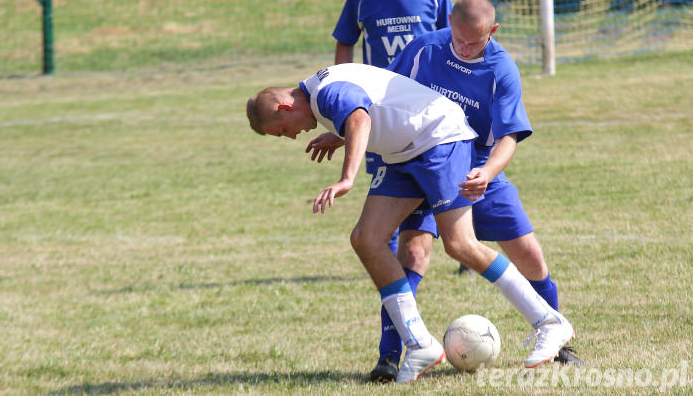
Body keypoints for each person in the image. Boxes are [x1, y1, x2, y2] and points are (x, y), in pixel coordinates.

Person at [246, 63, 575, 384]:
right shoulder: (321, 92)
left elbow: (359, 118)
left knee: (459, 244)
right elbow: (376, 106)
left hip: (439, 140)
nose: (291, 136)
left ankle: (548, 321)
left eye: (283, 131)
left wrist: (347, 178)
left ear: (284, 107)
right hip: (403, 153)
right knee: (366, 238)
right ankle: (420, 344)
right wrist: (339, 134)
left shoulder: (326, 92)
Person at [372, 0, 586, 377]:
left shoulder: (501, 69)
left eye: (475, 42)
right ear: (449, 21)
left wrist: (486, 174)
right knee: (413, 253)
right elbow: (384, 94)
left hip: (476, 170)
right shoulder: (425, 48)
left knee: (531, 257)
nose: (465, 48)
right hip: (421, 164)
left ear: (493, 32)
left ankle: (557, 342)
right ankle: (389, 356)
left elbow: (509, 136)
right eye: (459, 38)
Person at [332, 0, 453, 381]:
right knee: (384, 241)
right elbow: (344, 41)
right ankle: (396, 349)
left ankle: (392, 350)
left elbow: (451, 43)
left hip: (427, 121)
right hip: (379, 125)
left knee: (415, 247)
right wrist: (343, 94)